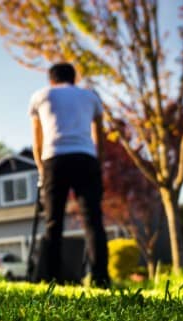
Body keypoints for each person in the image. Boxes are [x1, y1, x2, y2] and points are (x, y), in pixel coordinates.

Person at [28, 62, 110, 287]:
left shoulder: (41, 96)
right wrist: (98, 162)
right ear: (74, 78)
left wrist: (42, 169)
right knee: (93, 220)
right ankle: (100, 277)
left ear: (51, 79)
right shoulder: (90, 96)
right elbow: (99, 135)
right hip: (86, 158)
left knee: (53, 221)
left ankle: (53, 279)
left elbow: (38, 139)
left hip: (55, 158)